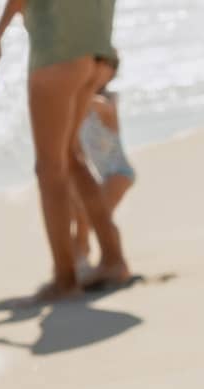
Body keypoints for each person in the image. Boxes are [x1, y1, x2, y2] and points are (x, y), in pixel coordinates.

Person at [0, 0, 132, 301]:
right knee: (70, 160)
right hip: (96, 52)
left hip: (58, 53)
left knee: (49, 168)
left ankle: (65, 280)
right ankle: (113, 261)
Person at [71, 61, 136, 273]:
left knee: (97, 219)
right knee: (82, 216)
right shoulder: (81, 112)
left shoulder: (107, 101)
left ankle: (112, 262)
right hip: (104, 176)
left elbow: (96, 104)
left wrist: (74, 92)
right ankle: (80, 260)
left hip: (119, 173)